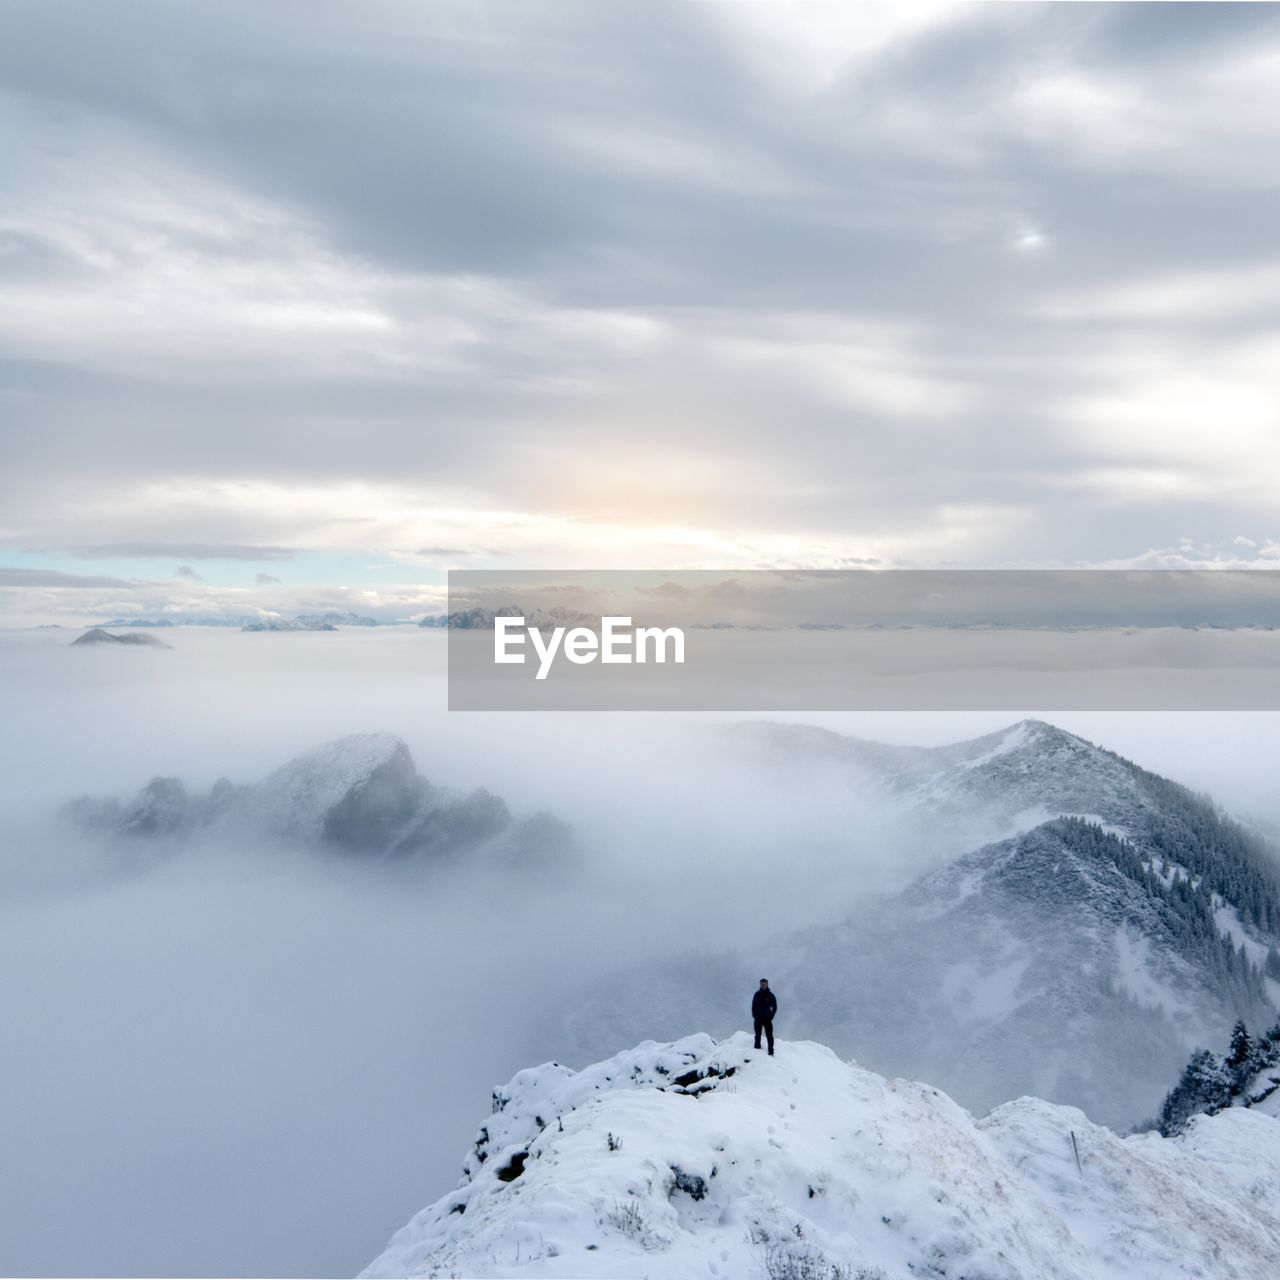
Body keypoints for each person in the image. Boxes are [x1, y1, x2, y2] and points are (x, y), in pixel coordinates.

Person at [752, 978, 777, 1055]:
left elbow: (775, 1007)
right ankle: (757, 1048)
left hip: (767, 1019)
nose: (763, 985)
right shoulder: (757, 994)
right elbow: (753, 1006)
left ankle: (771, 1051)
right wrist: (754, 1015)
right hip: (758, 1019)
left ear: (767, 984)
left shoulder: (770, 995)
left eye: (764, 984)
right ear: (760, 984)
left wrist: (771, 1016)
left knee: (769, 1035)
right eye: (761, 984)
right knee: (757, 1034)